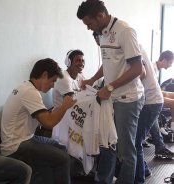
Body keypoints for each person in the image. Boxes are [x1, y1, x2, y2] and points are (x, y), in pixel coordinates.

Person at [77, 1, 145, 184]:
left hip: (127, 99)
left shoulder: (125, 31)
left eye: (89, 24)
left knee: (125, 150)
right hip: (111, 98)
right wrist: (92, 80)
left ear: (100, 16)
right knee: (108, 144)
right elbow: (108, 63)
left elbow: (138, 69)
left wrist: (109, 87)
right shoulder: (102, 34)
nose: (88, 28)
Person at [0, 58, 76, 184]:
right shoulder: (30, 92)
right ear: (44, 75)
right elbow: (49, 123)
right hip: (16, 146)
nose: (53, 85)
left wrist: (60, 109)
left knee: (60, 147)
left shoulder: (26, 87)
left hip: (25, 138)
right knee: (64, 159)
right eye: (53, 81)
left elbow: (45, 118)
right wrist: (64, 106)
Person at [52, 49, 117, 184]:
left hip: (77, 115)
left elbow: (85, 96)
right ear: (68, 62)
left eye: (82, 60)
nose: (81, 63)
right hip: (64, 118)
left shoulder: (80, 76)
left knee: (100, 135)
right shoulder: (63, 78)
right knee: (98, 136)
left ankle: (94, 171)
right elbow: (72, 101)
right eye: (77, 60)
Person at [134, 45, 164, 184]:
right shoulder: (138, 47)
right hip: (151, 101)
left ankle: (140, 176)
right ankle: (143, 170)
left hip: (150, 102)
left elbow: (141, 73)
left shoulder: (133, 49)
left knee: (135, 142)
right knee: (135, 141)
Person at [147, 50, 174, 158]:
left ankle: (160, 146)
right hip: (150, 100)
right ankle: (172, 129)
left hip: (154, 97)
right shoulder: (152, 69)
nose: (170, 65)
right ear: (164, 60)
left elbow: (156, 90)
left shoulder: (155, 68)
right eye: (170, 63)